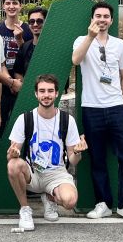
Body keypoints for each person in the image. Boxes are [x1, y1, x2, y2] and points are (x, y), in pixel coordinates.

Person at [72, 2, 123, 223]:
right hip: (91, 108)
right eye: (98, 16)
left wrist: (120, 99)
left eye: (105, 16)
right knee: (98, 157)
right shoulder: (82, 40)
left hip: (115, 107)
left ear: (111, 20)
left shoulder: (119, 44)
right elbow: (75, 60)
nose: (102, 19)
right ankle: (102, 202)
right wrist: (90, 37)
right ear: (92, 19)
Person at [6, 74, 86, 231]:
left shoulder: (67, 120)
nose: (46, 95)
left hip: (57, 174)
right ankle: (25, 209)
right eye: (42, 91)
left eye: (50, 91)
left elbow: (73, 160)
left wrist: (77, 152)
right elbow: (10, 156)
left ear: (57, 93)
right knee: (13, 165)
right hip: (33, 173)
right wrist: (13, 154)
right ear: (36, 94)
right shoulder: (25, 119)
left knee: (70, 202)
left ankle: (50, 198)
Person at [0, 0, 33, 125]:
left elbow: (29, 56)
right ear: (3, 6)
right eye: (8, 3)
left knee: (21, 121)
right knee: (1, 120)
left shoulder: (29, 29)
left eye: (15, 3)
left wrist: (20, 40)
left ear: (20, 6)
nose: (11, 6)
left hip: (22, 80)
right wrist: (9, 81)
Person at [11, 7, 46, 83]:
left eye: (39, 21)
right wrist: (25, 90)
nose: (35, 24)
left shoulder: (54, 47)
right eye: (32, 21)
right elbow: (18, 72)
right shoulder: (24, 47)